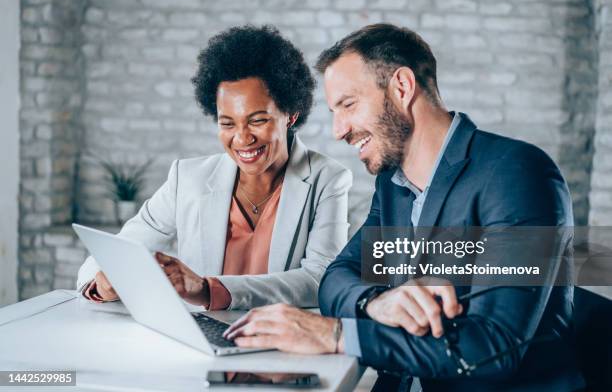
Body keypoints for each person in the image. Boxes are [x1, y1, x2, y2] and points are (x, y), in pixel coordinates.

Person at [223, 24, 585, 391]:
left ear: (401, 87)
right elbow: (336, 279)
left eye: (348, 105)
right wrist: (373, 303)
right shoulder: (393, 184)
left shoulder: (516, 173)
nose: (338, 130)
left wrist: (336, 334)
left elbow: (491, 350)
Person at [76, 25, 352, 311]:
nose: (242, 138)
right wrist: (102, 284)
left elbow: (321, 279)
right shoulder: (188, 178)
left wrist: (210, 290)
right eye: (227, 123)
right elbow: (109, 255)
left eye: (258, 120)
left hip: (279, 344)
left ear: (290, 115)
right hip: (202, 339)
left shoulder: (327, 179)